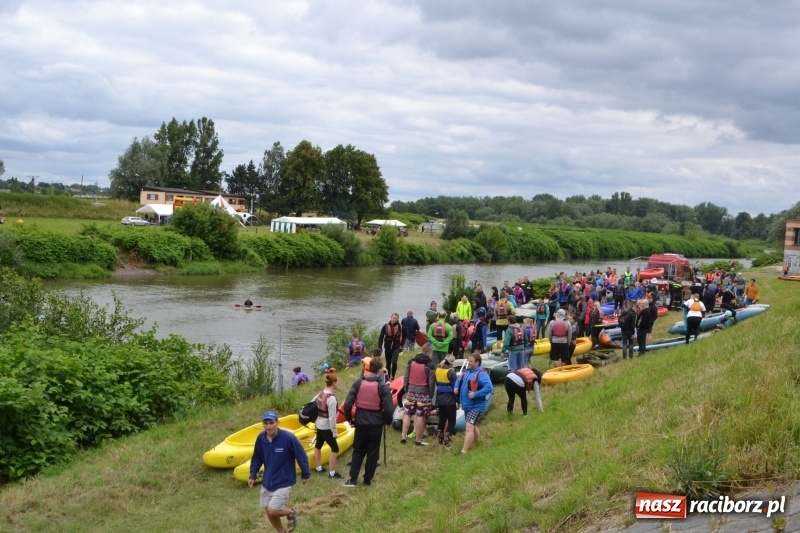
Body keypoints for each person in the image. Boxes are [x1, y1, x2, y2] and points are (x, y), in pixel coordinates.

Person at [248, 410, 310, 533]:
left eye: (271, 423)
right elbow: (257, 457)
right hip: (268, 481)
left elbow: (301, 455)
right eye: (265, 423)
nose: (268, 426)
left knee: (273, 510)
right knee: (269, 511)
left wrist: (305, 473)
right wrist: (252, 475)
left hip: (284, 480)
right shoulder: (261, 438)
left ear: (277, 423)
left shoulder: (288, 438)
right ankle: (281, 531)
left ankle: (291, 512)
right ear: (262, 424)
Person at [342, 358, 393, 487]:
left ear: (369, 369)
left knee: (358, 450)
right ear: (380, 370)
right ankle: (367, 480)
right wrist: (388, 421)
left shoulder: (359, 383)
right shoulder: (383, 386)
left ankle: (352, 479)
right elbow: (388, 408)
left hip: (360, 422)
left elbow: (347, 404)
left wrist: (349, 419)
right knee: (372, 452)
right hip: (376, 424)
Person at [454, 352, 493, 454]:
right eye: (468, 361)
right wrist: (456, 387)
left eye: (471, 361)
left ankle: (464, 451)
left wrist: (476, 394)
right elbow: (458, 380)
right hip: (467, 405)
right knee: (473, 425)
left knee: (469, 427)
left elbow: (489, 387)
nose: (468, 363)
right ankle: (478, 442)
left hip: (476, 406)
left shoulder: (482, 374)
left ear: (477, 362)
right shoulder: (466, 372)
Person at [400, 344, 436, 445]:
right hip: (423, 393)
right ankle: (418, 439)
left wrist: (407, 390)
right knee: (420, 415)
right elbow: (431, 382)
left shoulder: (411, 362)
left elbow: (406, 377)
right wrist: (430, 395)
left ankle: (403, 436)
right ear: (429, 353)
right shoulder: (430, 365)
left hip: (411, 390)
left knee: (407, 413)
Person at [312, 370, 343, 479]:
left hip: (318, 424)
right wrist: (334, 432)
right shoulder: (331, 399)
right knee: (335, 448)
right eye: (337, 382)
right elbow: (332, 418)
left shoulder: (320, 393)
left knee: (318, 445)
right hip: (326, 427)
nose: (337, 384)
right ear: (333, 383)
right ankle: (332, 473)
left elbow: (312, 403)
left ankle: (318, 467)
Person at [434, 354, 458, 447]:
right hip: (450, 401)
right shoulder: (451, 372)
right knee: (452, 421)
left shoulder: (438, 370)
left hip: (440, 400)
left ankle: (440, 437)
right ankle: (447, 437)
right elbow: (455, 387)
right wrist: (458, 401)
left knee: (442, 420)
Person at [378, 312, 404, 380]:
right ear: (391, 317)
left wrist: (401, 346)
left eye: (396, 318)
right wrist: (379, 347)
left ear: (398, 319)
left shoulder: (400, 327)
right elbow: (381, 337)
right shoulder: (385, 326)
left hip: (396, 346)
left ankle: (393, 376)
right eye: (393, 318)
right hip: (388, 347)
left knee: (394, 362)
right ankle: (388, 377)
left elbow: (403, 336)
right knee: (388, 363)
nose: (394, 319)